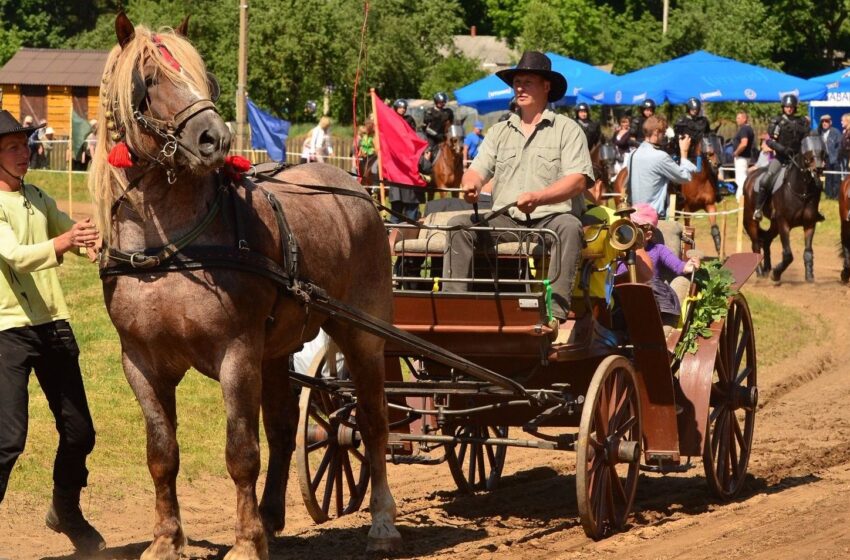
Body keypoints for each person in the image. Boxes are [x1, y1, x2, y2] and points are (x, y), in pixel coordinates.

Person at [0, 110, 104, 553]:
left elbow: (70, 232)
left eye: (25, 146)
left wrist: (91, 241)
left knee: (81, 432)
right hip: (7, 333)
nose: (25, 154)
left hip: (53, 326)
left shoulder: (38, 196)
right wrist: (64, 243)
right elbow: (17, 256)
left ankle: (65, 511)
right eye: (12, 148)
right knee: (7, 441)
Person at [442, 51, 593, 343]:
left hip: (551, 218)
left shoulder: (567, 130)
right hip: (506, 219)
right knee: (460, 225)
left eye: (528, 82)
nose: (520, 88)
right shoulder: (499, 131)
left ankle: (555, 314)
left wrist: (540, 196)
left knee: (570, 227)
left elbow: (578, 180)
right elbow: (476, 171)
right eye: (517, 82)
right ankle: (454, 306)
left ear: (546, 86)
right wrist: (471, 184)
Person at [619, 203, 699, 335]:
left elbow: (679, 266)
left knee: (653, 286)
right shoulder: (619, 251)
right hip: (624, 297)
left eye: (634, 227)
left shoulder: (658, 249)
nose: (628, 232)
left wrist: (689, 265)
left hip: (651, 298)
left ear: (648, 234)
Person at [753, 94, 810, 221]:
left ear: (795, 108)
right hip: (781, 158)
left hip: (798, 158)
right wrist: (782, 149)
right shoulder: (777, 121)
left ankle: (813, 210)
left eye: (791, 107)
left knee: (814, 180)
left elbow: (807, 138)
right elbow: (769, 142)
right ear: (783, 107)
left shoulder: (801, 121)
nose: (789, 109)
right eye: (787, 107)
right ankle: (758, 209)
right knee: (766, 179)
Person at [629, 115, 696, 218]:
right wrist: (684, 151)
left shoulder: (632, 155)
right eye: (663, 132)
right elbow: (685, 177)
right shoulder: (660, 156)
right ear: (656, 132)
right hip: (653, 219)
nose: (664, 136)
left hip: (634, 217)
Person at [674, 97, 710, 166]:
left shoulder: (703, 121)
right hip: (684, 150)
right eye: (693, 109)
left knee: (711, 165)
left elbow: (707, 134)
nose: (695, 111)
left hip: (700, 151)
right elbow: (677, 137)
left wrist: (708, 146)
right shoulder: (681, 121)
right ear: (688, 109)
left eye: (696, 109)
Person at [421, 92, 454, 163]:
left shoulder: (448, 112)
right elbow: (426, 128)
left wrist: (448, 135)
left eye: (443, 102)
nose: (442, 103)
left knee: (454, 149)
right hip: (431, 137)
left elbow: (450, 125)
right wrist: (436, 135)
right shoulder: (429, 112)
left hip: (443, 137)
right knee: (428, 150)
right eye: (440, 102)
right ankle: (425, 167)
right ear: (436, 101)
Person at [731, 110, 755, 199]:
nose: (736, 120)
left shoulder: (744, 129)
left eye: (738, 118)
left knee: (741, 180)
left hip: (741, 157)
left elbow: (744, 143)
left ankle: (742, 200)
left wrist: (736, 153)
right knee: (742, 178)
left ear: (744, 119)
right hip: (745, 157)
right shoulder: (749, 128)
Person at [820, 114, 843, 199]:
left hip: (835, 158)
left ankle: (836, 196)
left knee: (836, 178)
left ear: (830, 122)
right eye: (823, 122)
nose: (824, 123)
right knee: (828, 178)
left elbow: (839, 146)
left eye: (826, 121)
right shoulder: (820, 133)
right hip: (826, 159)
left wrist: (836, 157)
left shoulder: (836, 132)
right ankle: (828, 195)